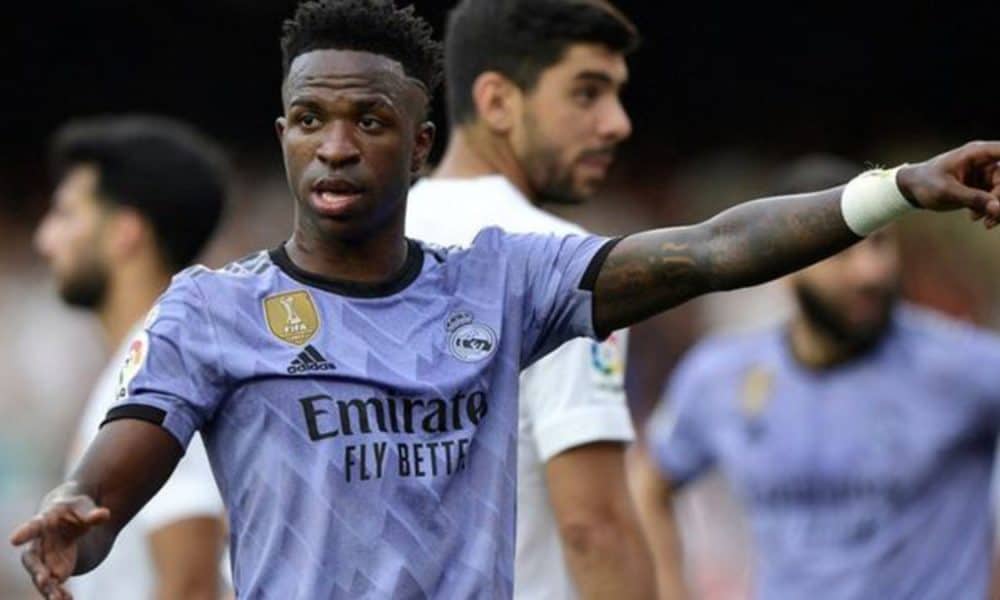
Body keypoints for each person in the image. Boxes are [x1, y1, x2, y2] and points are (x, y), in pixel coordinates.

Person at [11, 1, 1000, 598]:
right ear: (282, 135)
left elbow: (711, 251)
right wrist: (74, 520)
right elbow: (114, 476)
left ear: (421, 143)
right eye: (309, 119)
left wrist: (895, 190)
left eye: (368, 121)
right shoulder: (212, 313)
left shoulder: (503, 280)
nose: (336, 147)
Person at [631, 156, 1000, 599]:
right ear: (781, 265)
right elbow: (647, 485)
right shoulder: (720, 377)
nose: (870, 272)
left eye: (880, 244)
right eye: (841, 251)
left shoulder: (964, 366)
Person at [405, 1, 652, 597]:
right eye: (587, 93)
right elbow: (595, 527)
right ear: (497, 102)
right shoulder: (567, 266)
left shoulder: (354, 248)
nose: (617, 123)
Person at [31, 116, 229, 600]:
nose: (45, 240)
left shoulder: (166, 374)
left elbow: (192, 586)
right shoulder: (137, 364)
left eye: (66, 214)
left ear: (125, 232)